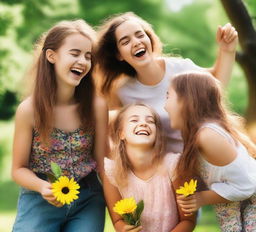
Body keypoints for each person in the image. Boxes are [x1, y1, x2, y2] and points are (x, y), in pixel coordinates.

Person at [11, 20, 107, 232]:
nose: (82, 61)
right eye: (75, 53)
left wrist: (121, 214)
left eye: (88, 56)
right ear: (51, 56)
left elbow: (103, 164)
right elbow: (18, 169)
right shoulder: (29, 111)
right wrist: (43, 186)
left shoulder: (97, 106)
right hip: (40, 198)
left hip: (88, 197)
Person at [95, 12, 238, 153]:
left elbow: (216, 83)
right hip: (174, 167)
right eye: (125, 41)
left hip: (211, 153)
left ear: (149, 39)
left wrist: (227, 50)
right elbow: (108, 127)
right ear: (119, 54)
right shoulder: (123, 92)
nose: (136, 42)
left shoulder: (180, 68)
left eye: (140, 35)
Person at [164, 72, 256, 232]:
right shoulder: (199, 135)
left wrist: (201, 198)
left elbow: (247, 185)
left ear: (186, 100)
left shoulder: (207, 136)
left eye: (168, 96)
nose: (165, 106)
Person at [104, 103, 197, 232]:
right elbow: (118, 221)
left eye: (150, 121)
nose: (143, 124)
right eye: (134, 120)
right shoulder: (111, 172)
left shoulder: (175, 165)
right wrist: (124, 229)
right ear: (121, 134)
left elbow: (188, 221)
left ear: (156, 133)